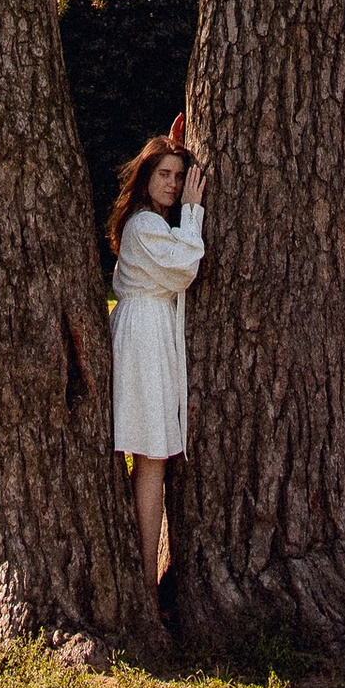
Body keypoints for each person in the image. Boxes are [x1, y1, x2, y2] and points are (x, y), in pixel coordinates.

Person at [109, 121, 205, 590]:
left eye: (178, 176)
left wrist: (178, 135)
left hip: (151, 332)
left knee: (152, 458)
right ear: (145, 177)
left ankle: (142, 575)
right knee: (151, 457)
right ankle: (143, 582)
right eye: (164, 174)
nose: (172, 183)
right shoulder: (145, 224)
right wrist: (193, 213)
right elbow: (186, 265)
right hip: (144, 338)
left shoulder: (148, 225)